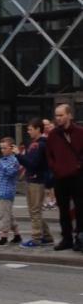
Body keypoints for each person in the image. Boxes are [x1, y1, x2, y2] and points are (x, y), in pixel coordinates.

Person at [46, 104, 83, 252]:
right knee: (63, 210)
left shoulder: (80, 132)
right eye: (56, 115)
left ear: (69, 115)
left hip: (78, 176)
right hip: (60, 177)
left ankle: (79, 238)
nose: (58, 118)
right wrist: (55, 168)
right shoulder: (53, 134)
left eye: (61, 115)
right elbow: (49, 155)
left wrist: (78, 166)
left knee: (80, 209)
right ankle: (66, 238)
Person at [13, 118, 54, 247]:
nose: (28, 132)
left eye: (30, 129)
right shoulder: (37, 143)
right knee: (35, 210)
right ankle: (46, 236)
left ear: (37, 129)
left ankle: (36, 238)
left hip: (36, 180)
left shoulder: (39, 144)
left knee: (35, 211)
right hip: (35, 179)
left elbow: (32, 164)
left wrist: (18, 155)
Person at [0, 137, 22, 246]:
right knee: (9, 214)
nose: (2, 150)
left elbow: (10, 172)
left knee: (4, 215)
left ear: (12, 148)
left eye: (5, 148)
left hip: (7, 192)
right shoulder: (3, 160)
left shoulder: (14, 160)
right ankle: (17, 235)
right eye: (1, 148)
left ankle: (4, 236)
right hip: (0, 191)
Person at [42, 118, 56, 210]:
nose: (46, 126)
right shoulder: (41, 137)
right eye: (45, 125)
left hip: (53, 163)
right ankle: (45, 202)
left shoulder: (54, 135)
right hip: (44, 163)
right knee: (45, 184)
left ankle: (52, 201)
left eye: (48, 124)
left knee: (52, 184)